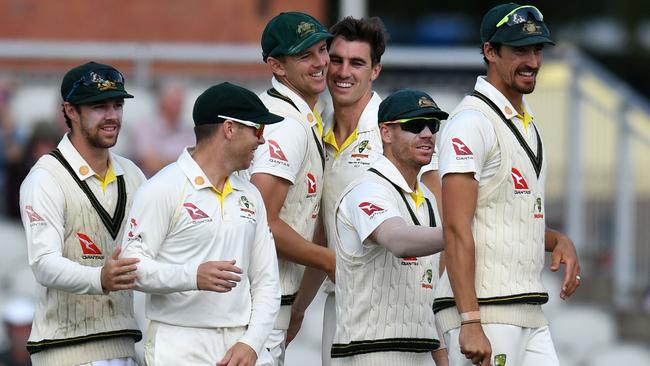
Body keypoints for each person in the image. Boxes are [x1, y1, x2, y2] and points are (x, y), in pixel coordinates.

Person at [433, 4, 581, 366]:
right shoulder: (471, 122)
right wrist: (470, 320)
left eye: (537, 50)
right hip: (486, 312)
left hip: (528, 311)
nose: (532, 61)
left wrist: (557, 240)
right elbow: (454, 226)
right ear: (489, 52)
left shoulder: (527, 124)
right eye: (519, 50)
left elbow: (505, 214)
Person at [120, 82, 281, 366]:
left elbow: (267, 281)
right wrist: (192, 276)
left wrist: (252, 343)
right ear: (229, 129)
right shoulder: (163, 188)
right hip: (178, 345)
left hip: (241, 345)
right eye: (258, 130)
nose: (262, 141)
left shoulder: (250, 194)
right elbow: (131, 268)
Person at [19, 61, 144, 366]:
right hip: (65, 351)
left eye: (117, 105)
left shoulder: (133, 174)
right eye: (99, 106)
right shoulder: (45, 178)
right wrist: (100, 277)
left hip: (124, 343)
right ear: (70, 111)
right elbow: (44, 264)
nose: (112, 116)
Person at [286, 16, 386, 365]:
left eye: (357, 63)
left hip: (393, 305)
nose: (343, 71)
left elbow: (440, 218)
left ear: (375, 70)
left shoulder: (394, 127)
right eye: (337, 60)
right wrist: (298, 310)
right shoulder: (317, 127)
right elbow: (323, 234)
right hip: (340, 302)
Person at [331, 89, 449, 365]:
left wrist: (442, 357)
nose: (427, 134)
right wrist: (457, 233)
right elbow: (397, 240)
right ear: (386, 133)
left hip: (419, 351)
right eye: (414, 125)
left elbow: (424, 291)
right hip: (368, 354)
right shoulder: (366, 189)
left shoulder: (428, 198)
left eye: (433, 125)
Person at [250, 11, 334, 364]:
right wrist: (336, 263)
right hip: (258, 310)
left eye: (322, 49)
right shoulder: (286, 124)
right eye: (305, 55)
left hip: (269, 307)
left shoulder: (298, 116)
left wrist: (298, 307)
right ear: (276, 65)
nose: (320, 63)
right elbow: (263, 222)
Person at [130, 81, 194, 177]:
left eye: (180, 103)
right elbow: (150, 164)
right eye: (174, 102)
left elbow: (198, 160)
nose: (178, 107)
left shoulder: (187, 128)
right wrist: (184, 162)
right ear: (162, 102)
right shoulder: (145, 126)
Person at [0, 297, 34, 366]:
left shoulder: (46, 360)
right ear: (8, 329)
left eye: (25, 328)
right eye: (16, 329)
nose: (20, 335)